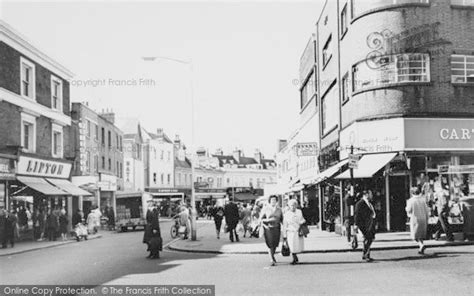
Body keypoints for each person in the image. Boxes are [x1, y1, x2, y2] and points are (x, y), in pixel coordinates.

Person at [260, 195, 283, 266]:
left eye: (275, 200)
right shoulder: (266, 209)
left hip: (276, 228)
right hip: (268, 228)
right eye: (272, 200)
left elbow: (282, 219)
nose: (273, 201)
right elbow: (261, 219)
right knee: (270, 244)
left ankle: (273, 256)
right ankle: (271, 259)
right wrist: (268, 220)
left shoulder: (279, 209)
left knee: (275, 244)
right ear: (269, 201)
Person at [406, 187, 430, 254]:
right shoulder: (423, 200)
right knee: (421, 235)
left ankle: (421, 245)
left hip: (415, 219)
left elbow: (408, 209)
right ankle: (421, 247)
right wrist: (427, 218)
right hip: (423, 218)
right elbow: (427, 210)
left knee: (415, 235)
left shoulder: (411, 200)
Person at [355, 190, 376, 262]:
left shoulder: (369, 203)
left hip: (370, 224)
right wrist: (356, 225)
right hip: (364, 224)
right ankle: (366, 255)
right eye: (370, 194)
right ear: (366, 195)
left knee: (368, 239)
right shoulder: (360, 203)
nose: (372, 195)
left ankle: (366, 254)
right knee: (368, 239)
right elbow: (357, 215)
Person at [283, 199, 306, 265]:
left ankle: (295, 256)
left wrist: (303, 222)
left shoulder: (299, 212)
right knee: (291, 245)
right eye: (291, 205)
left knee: (297, 245)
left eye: (294, 205)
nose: (293, 207)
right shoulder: (286, 214)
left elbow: (302, 219)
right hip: (290, 231)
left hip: (298, 231)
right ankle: (294, 257)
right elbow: (285, 224)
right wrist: (284, 235)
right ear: (289, 206)